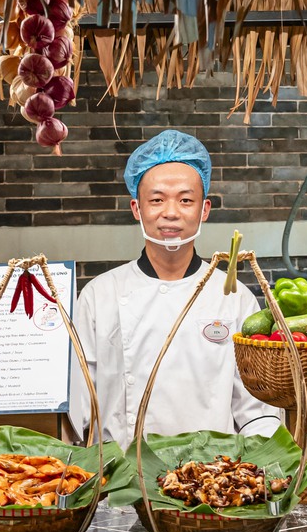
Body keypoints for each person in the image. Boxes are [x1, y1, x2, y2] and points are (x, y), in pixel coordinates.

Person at [67, 130, 282, 445]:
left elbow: (258, 409)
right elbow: (78, 408)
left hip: (212, 481)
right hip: (124, 481)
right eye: (156, 200)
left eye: (185, 200)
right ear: (137, 209)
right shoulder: (100, 295)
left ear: (204, 210)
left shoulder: (234, 297)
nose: (170, 212)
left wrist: (262, 470)